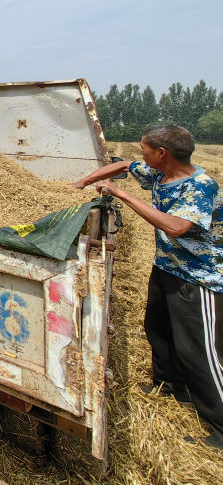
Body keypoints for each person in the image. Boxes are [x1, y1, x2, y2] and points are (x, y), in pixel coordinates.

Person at [73, 124, 223, 450]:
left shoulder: (200, 186)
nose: (140, 153)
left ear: (162, 153)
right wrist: (84, 182)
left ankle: (220, 425)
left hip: (199, 277)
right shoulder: (159, 173)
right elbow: (125, 165)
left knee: (200, 351)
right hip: (166, 267)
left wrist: (123, 195)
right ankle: (170, 387)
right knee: (158, 330)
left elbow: (177, 227)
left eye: (144, 148)